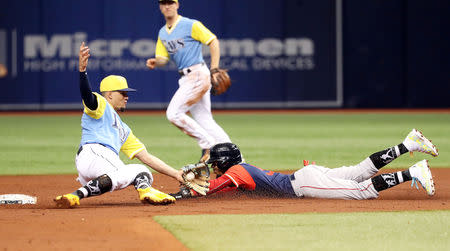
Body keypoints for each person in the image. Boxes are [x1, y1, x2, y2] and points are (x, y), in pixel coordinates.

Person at [54, 42, 184, 208]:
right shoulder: (101, 105)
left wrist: (176, 174)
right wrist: (82, 71)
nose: (126, 96)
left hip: (100, 167)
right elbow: (88, 97)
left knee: (139, 172)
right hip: (94, 153)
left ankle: (75, 195)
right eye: (123, 92)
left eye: (127, 93)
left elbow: (146, 157)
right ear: (109, 95)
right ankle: (146, 191)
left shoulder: (124, 130)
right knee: (138, 172)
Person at [171, 129, 439, 200]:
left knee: (362, 191)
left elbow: (211, 188)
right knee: (360, 171)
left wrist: (178, 194)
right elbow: (222, 189)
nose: (213, 168)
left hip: (305, 184)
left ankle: (412, 171)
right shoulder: (240, 171)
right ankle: (409, 144)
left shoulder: (237, 172)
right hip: (306, 176)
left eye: (215, 163)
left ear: (225, 162)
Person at [146, 0, 231, 161]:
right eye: (163, 3)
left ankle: (208, 144)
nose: (167, 6)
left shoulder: (191, 25)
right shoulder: (163, 32)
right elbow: (163, 59)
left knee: (173, 114)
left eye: (170, 2)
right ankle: (236, 158)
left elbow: (213, 41)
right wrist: (155, 61)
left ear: (177, 5)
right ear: (160, 7)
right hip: (186, 78)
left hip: (198, 73)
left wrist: (214, 68)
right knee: (205, 120)